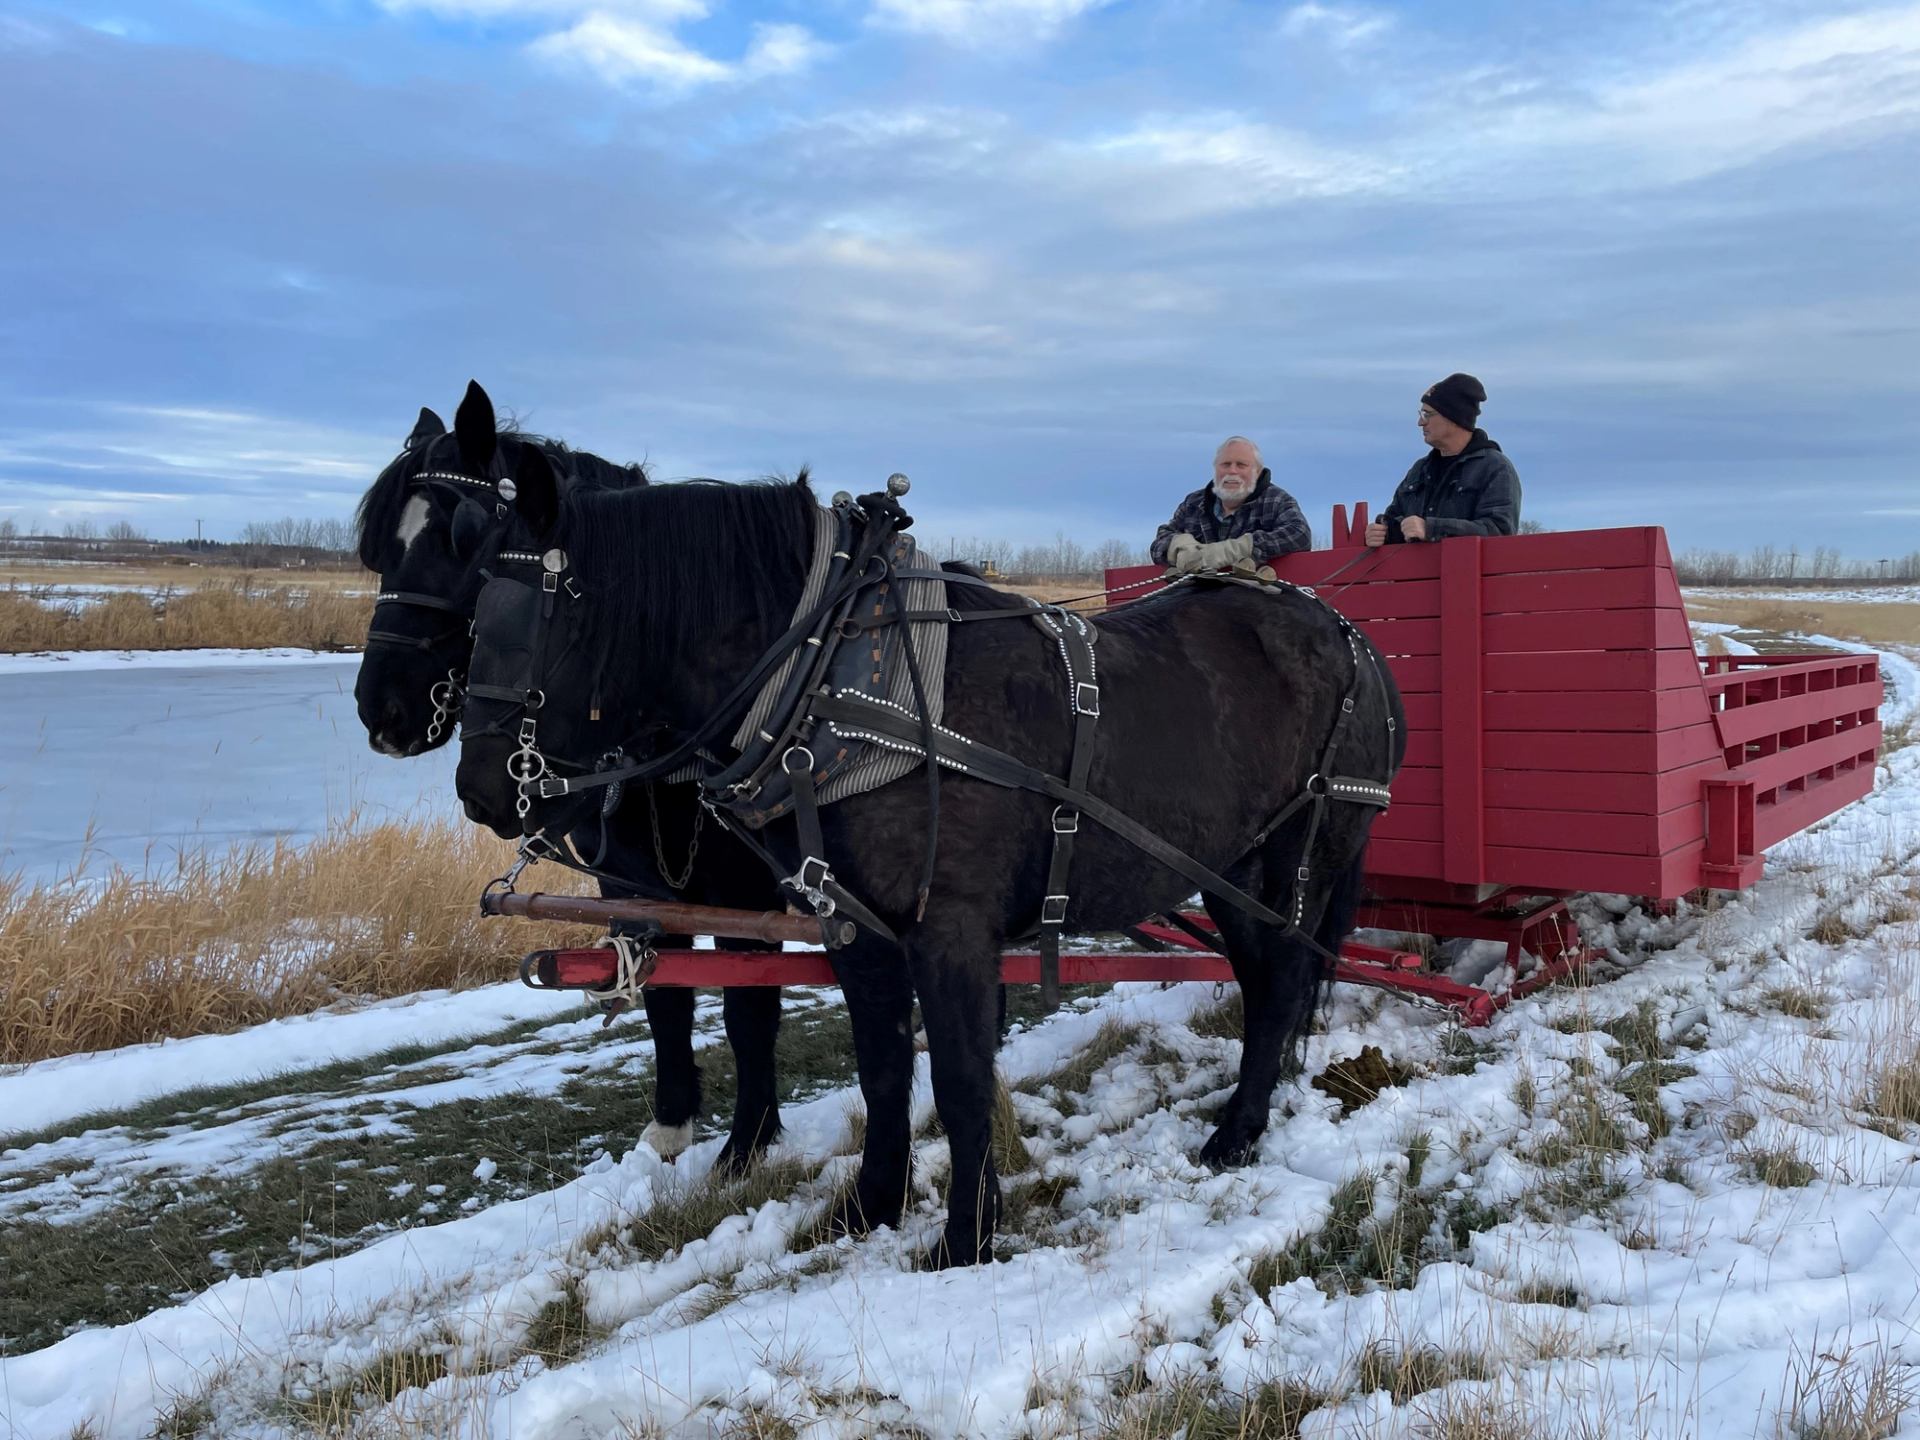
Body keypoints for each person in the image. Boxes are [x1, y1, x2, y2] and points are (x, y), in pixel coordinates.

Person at [1365, 374, 1521, 546]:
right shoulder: (1420, 470)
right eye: (1421, 414)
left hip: (1463, 565)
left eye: (1428, 414)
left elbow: (1500, 531)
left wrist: (1432, 529)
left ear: (1454, 417)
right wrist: (1383, 533)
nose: (1420, 422)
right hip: (1415, 565)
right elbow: (1395, 517)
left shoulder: (1494, 467)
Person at [1151, 436, 1311, 574]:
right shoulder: (1194, 503)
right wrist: (1179, 547)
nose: (1232, 471)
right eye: (1226, 464)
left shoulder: (1276, 500)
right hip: (1194, 593)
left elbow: (1300, 534)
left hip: (1257, 595)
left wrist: (1238, 549)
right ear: (1216, 469)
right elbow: (1159, 542)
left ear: (1257, 471)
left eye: (1241, 465)